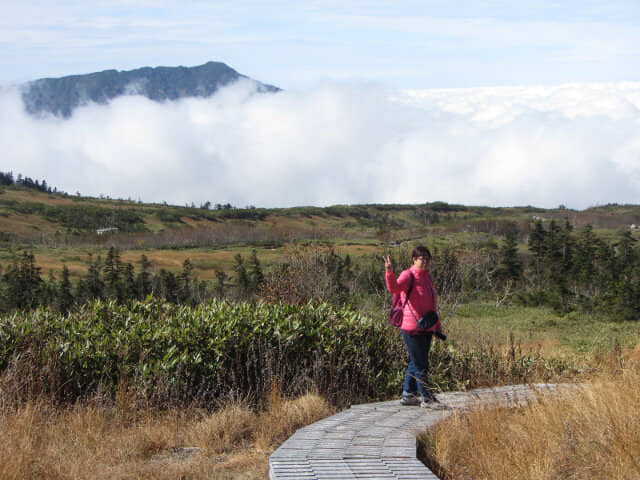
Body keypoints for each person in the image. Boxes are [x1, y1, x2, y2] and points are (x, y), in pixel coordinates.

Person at [384, 246, 441, 407]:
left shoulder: (427, 277)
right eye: (421, 258)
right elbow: (393, 288)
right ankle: (427, 398)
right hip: (411, 328)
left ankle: (408, 394)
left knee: (417, 362)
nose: (425, 261)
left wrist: (437, 325)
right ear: (414, 260)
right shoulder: (408, 275)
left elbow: (432, 304)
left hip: (427, 327)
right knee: (421, 364)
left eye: (427, 258)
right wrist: (389, 272)